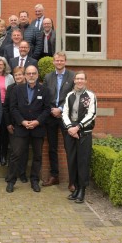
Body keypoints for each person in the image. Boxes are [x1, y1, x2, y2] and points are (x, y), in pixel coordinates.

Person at [6, 65, 50, 193]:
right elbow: (13, 108)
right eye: (29, 73)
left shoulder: (44, 90)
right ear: (25, 75)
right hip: (21, 128)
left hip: (38, 128)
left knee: (37, 156)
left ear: (37, 75)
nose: (31, 75)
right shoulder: (17, 90)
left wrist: (37, 121)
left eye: (33, 73)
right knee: (15, 154)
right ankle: (11, 181)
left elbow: (47, 109)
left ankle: (35, 181)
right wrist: (22, 121)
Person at [62, 71, 97, 203]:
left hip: (84, 133)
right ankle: (75, 187)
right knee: (72, 161)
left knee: (82, 162)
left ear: (86, 81)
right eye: (77, 79)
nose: (79, 81)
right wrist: (70, 127)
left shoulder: (91, 95)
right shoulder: (69, 95)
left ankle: (82, 189)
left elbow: (92, 114)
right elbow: (65, 113)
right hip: (71, 132)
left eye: (82, 79)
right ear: (74, 80)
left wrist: (78, 127)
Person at [42, 52, 75, 188]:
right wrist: (52, 109)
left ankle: (72, 181)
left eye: (61, 60)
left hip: (65, 116)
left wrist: (60, 109)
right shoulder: (48, 77)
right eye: (57, 60)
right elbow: (45, 96)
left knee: (69, 147)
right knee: (52, 147)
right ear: (53, 62)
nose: (59, 62)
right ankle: (54, 176)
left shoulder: (72, 76)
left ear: (65, 61)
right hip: (51, 116)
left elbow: (73, 96)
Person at [3, 66, 28, 183]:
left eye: (20, 74)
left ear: (24, 75)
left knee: (24, 151)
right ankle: (11, 174)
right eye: (16, 75)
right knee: (14, 151)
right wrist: (8, 124)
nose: (18, 77)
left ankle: (22, 174)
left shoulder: (29, 87)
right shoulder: (10, 88)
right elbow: (6, 107)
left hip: (27, 124)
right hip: (13, 125)